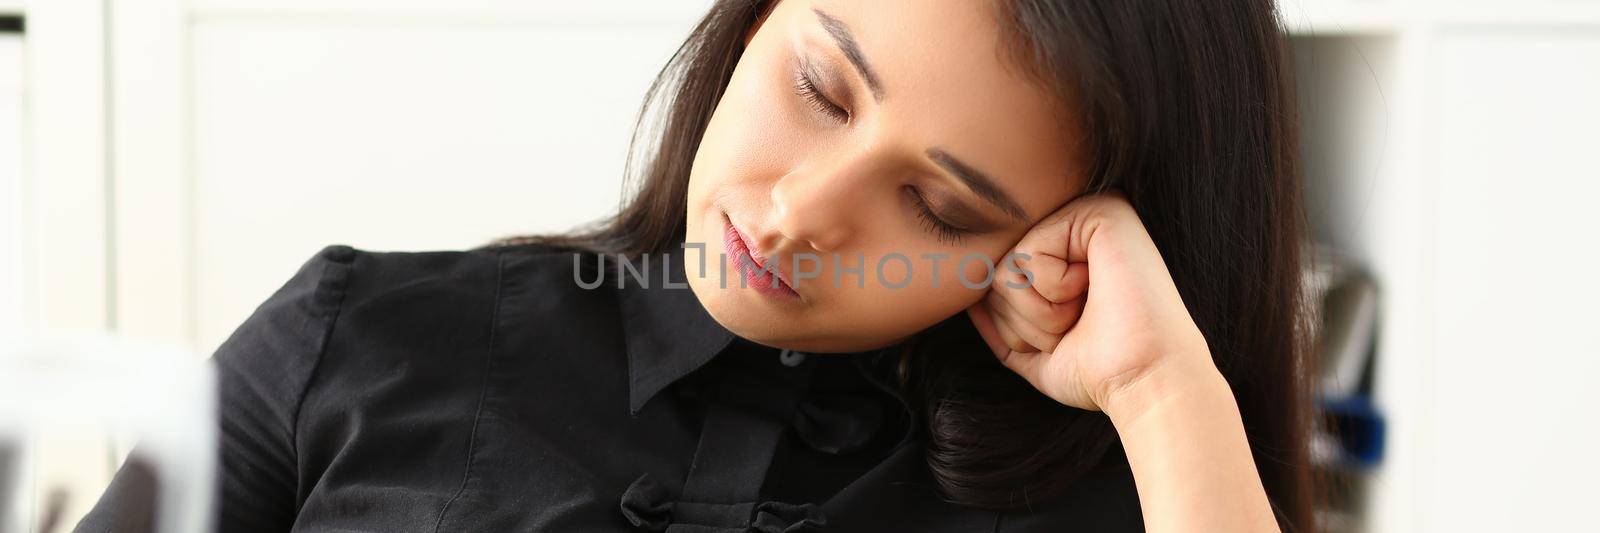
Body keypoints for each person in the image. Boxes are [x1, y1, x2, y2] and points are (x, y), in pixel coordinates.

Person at [77, 0, 1315, 531]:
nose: (791, 214)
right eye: (819, 90)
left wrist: (1166, 396)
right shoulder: (354, 337)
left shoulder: (1119, 503)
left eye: (937, 205)